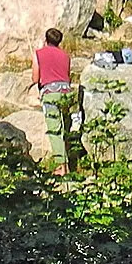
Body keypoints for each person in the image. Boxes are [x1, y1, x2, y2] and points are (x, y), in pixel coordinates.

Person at [34, 26, 81, 172]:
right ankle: (71, 158)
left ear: (45, 40)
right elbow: (66, 75)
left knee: (55, 129)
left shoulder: (38, 54)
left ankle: (63, 167)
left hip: (51, 92)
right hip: (66, 92)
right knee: (65, 126)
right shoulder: (65, 56)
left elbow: (35, 77)